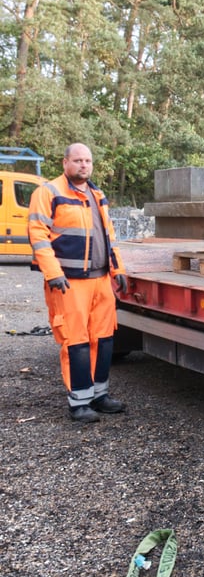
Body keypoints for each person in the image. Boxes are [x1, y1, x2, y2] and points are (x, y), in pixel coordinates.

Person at [28, 143, 129, 423]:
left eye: (88, 160)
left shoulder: (98, 195)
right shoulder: (49, 192)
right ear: (65, 163)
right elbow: (38, 235)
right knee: (77, 342)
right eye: (78, 160)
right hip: (68, 283)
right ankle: (79, 403)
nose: (83, 165)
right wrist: (53, 272)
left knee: (104, 339)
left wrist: (118, 269)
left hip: (100, 280)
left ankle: (100, 396)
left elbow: (109, 236)